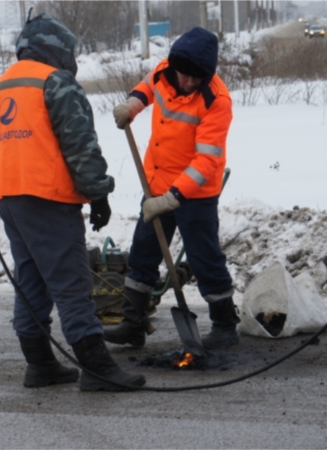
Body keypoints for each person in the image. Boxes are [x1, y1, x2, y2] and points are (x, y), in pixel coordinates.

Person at [0, 12, 145, 391]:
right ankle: (98, 369)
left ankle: (40, 366)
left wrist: (8, 190)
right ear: (55, 49)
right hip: (49, 201)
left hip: (11, 200)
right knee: (72, 284)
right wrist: (99, 192)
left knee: (32, 281)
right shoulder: (55, 82)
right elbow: (80, 147)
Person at [104, 27, 240, 350]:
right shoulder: (166, 71)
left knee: (204, 256)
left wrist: (172, 199)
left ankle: (224, 325)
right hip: (156, 183)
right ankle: (133, 323)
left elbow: (206, 163)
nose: (188, 82)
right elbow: (148, 86)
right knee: (143, 252)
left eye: (196, 78)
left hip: (194, 193)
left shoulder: (216, 100)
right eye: (185, 76)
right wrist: (133, 104)